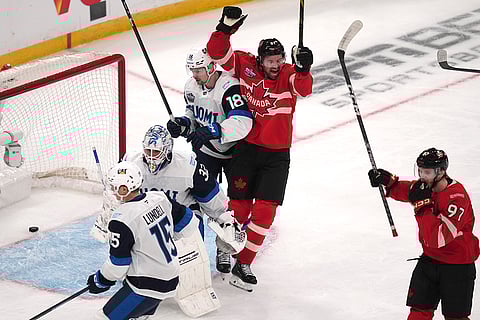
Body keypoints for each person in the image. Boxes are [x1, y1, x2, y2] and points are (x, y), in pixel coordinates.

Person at [204, 6, 313, 289]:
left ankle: (246, 261)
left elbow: (304, 90)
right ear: (260, 59)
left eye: (279, 59)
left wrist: (304, 69)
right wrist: (224, 28)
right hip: (246, 149)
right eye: (270, 60)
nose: (275, 65)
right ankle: (225, 249)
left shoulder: (289, 73)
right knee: (238, 209)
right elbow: (216, 53)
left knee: (265, 213)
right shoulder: (245, 65)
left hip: (277, 156)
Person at [166, 47, 253, 273]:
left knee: (234, 205)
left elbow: (242, 122)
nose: (194, 75)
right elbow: (192, 117)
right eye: (192, 70)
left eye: (198, 70)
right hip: (206, 153)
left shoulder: (229, 87)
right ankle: (195, 250)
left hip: (236, 153)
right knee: (198, 198)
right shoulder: (191, 87)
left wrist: (214, 130)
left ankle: (225, 248)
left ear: (212, 67)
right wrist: (182, 125)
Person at [368, 147, 479, 320]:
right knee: (418, 312)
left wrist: (422, 208)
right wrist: (388, 181)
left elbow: (438, 238)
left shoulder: (457, 198)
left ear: (441, 171)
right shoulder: (426, 185)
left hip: (457, 266)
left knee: (455, 318)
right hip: (430, 260)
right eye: (420, 171)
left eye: (426, 172)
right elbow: (409, 190)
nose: (422, 176)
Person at [86, 160, 199, 320]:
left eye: (113, 187)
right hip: (171, 278)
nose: (111, 191)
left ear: (124, 189)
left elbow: (118, 266)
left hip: (145, 285)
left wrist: (101, 279)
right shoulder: (159, 197)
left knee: (104, 318)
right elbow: (190, 224)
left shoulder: (121, 219)